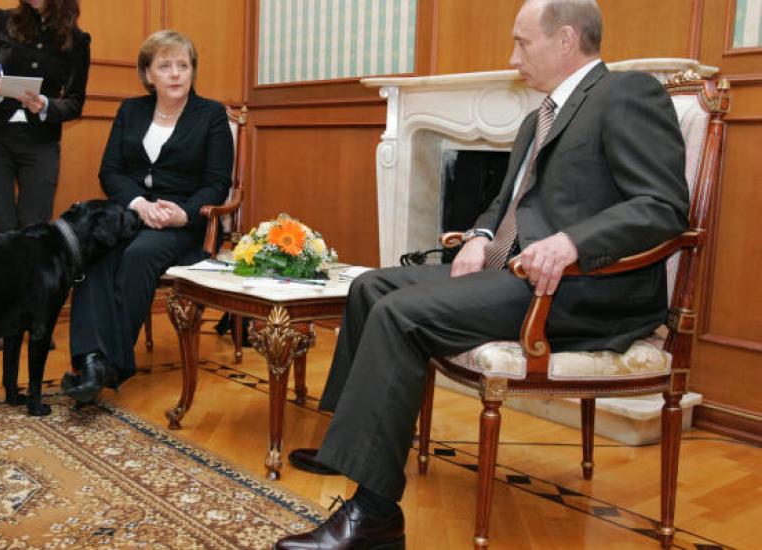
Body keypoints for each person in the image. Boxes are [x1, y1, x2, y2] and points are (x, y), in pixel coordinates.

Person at [274, 0, 689, 548]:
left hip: (579, 288)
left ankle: (375, 517)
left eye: (522, 42)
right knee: (372, 285)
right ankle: (349, 447)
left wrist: (573, 242)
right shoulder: (538, 117)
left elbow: (663, 207)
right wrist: (480, 235)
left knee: (400, 315)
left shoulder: (626, 95)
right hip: (516, 275)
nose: (513, 57)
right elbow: (509, 201)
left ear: (566, 40)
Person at [63, 30, 234, 403]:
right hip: (133, 212)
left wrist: (183, 214)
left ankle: (109, 364)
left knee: (140, 254)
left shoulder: (211, 115)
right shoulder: (131, 111)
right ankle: (91, 359)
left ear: (192, 71)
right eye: (165, 66)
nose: (175, 74)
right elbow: (110, 171)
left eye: (183, 65)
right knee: (94, 250)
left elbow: (217, 182)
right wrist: (138, 203)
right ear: (148, 74)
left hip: (183, 221)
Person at [0, 0, 91, 352]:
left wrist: (48, 105)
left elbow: (75, 101)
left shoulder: (77, 40)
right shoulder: (2, 21)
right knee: (3, 229)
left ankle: (36, 320)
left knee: (35, 233)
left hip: (40, 144)